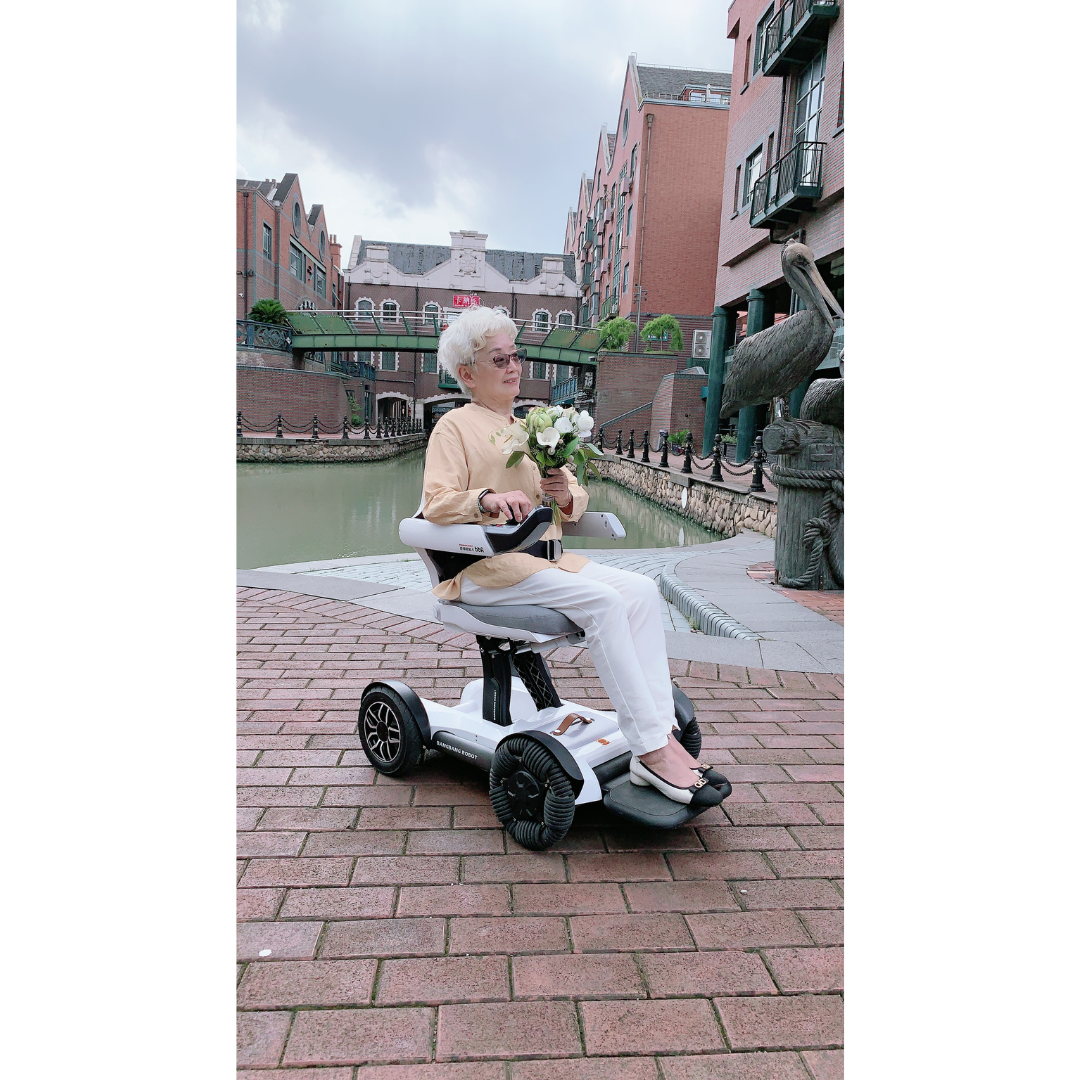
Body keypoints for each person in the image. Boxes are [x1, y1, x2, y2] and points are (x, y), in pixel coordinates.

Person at [421, 307, 723, 808]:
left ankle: (661, 732)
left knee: (642, 591)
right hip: (489, 569)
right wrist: (487, 500)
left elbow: (573, 498)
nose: (514, 366)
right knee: (605, 603)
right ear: (468, 374)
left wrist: (565, 493)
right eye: (500, 359)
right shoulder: (454, 427)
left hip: (546, 564)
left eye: (516, 355)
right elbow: (436, 502)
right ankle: (650, 750)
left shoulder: (530, 427)